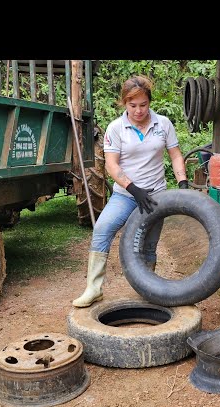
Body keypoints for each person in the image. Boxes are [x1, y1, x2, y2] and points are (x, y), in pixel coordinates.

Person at [72, 75, 188, 307]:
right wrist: (133, 188)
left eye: (143, 105)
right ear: (124, 103)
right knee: (103, 228)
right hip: (125, 195)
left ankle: (149, 291)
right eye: (132, 105)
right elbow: (111, 164)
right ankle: (94, 288)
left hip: (156, 195)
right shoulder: (116, 128)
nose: (138, 110)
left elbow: (175, 155)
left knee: (148, 244)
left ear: (149, 102)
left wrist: (182, 182)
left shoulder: (163, 124)